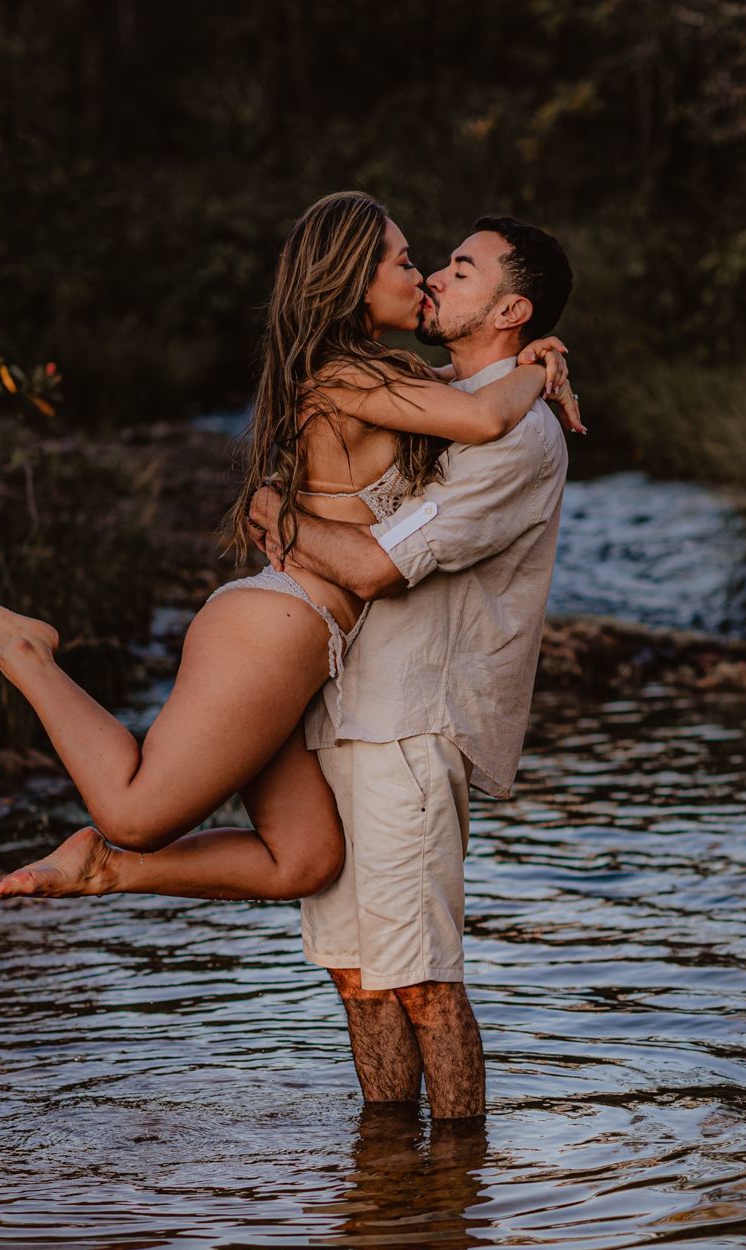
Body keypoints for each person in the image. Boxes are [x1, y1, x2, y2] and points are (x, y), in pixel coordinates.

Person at [0, 190, 578, 916]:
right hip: (281, 625)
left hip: (305, 642)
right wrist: (545, 367)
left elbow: (461, 393)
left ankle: (105, 867)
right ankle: (29, 655)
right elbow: (482, 412)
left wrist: (523, 355)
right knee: (135, 812)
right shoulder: (346, 373)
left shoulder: (381, 374)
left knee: (304, 860)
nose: (424, 275)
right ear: (356, 282)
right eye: (405, 262)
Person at [246, 212, 575, 1119]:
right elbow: (425, 406)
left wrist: (271, 512)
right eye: (427, 262)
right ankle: (385, 1185)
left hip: (410, 726)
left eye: (459, 270)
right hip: (340, 703)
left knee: (423, 980)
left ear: (509, 307)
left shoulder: (514, 439)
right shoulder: (427, 393)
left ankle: (453, 1209)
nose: (432, 276)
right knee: (357, 976)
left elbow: (373, 567)